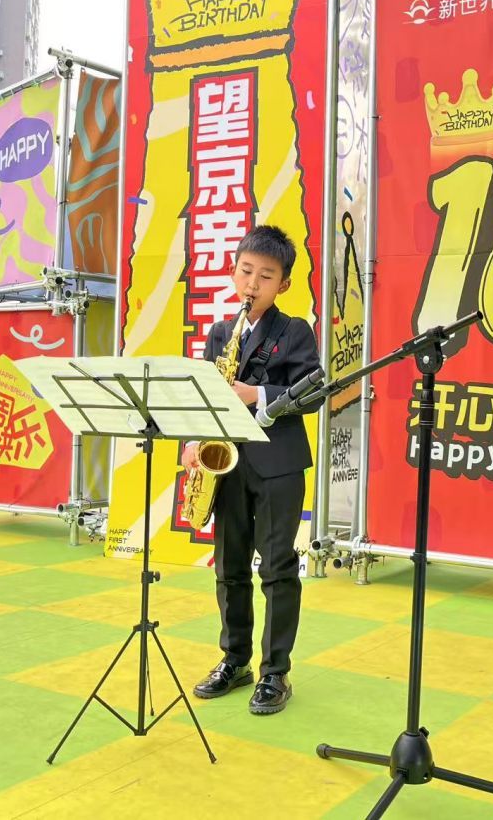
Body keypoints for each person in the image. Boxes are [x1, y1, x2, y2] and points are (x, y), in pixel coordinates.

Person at [184, 225, 321, 715]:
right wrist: (192, 442)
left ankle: (275, 672)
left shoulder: (295, 331)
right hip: (228, 465)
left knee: (278, 569)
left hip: (279, 465)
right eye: (246, 272)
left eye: (265, 276)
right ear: (233, 271)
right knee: (230, 568)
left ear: (283, 284)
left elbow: (313, 392)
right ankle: (235, 659)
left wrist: (257, 394)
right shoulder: (220, 334)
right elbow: (204, 396)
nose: (252, 283)